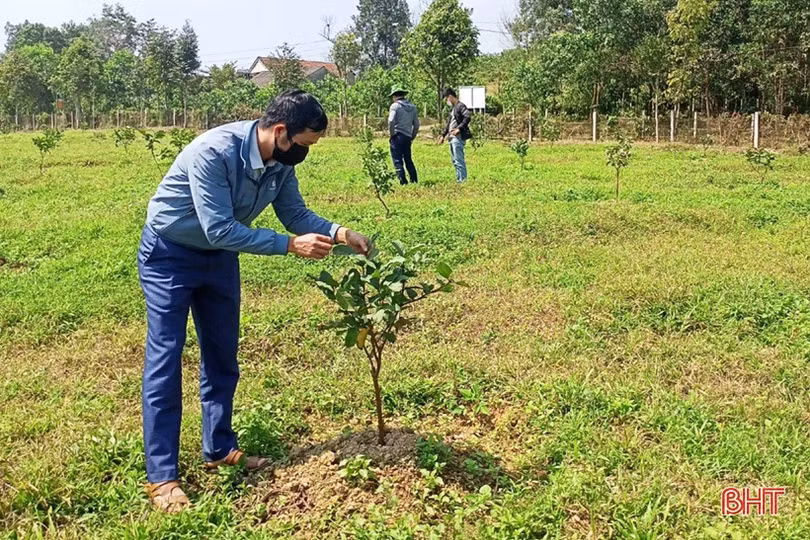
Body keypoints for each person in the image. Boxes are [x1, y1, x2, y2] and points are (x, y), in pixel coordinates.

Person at [137, 90, 369, 513]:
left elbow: (296, 215)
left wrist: (340, 233)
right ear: (281, 132)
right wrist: (288, 246)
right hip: (171, 254)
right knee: (166, 358)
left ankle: (219, 449)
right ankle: (162, 477)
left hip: (219, 259)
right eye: (304, 144)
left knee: (223, 355)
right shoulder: (214, 152)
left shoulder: (280, 165)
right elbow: (219, 229)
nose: (305, 153)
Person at [387, 85, 420, 185]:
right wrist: (412, 136)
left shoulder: (395, 106)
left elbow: (391, 121)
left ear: (394, 96)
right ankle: (414, 180)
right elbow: (417, 124)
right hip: (407, 136)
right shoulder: (413, 107)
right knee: (408, 159)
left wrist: (392, 134)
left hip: (397, 136)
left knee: (397, 160)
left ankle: (403, 182)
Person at [439, 88, 472, 183]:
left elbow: (467, 116)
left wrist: (459, 128)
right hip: (451, 138)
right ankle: (459, 179)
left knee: (459, 160)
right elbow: (449, 123)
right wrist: (443, 135)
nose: (446, 101)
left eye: (446, 99)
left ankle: (462, 181)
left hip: (458, 138)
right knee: (455, 160)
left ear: (450, 97)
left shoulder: (460, 106)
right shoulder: (454, 108)